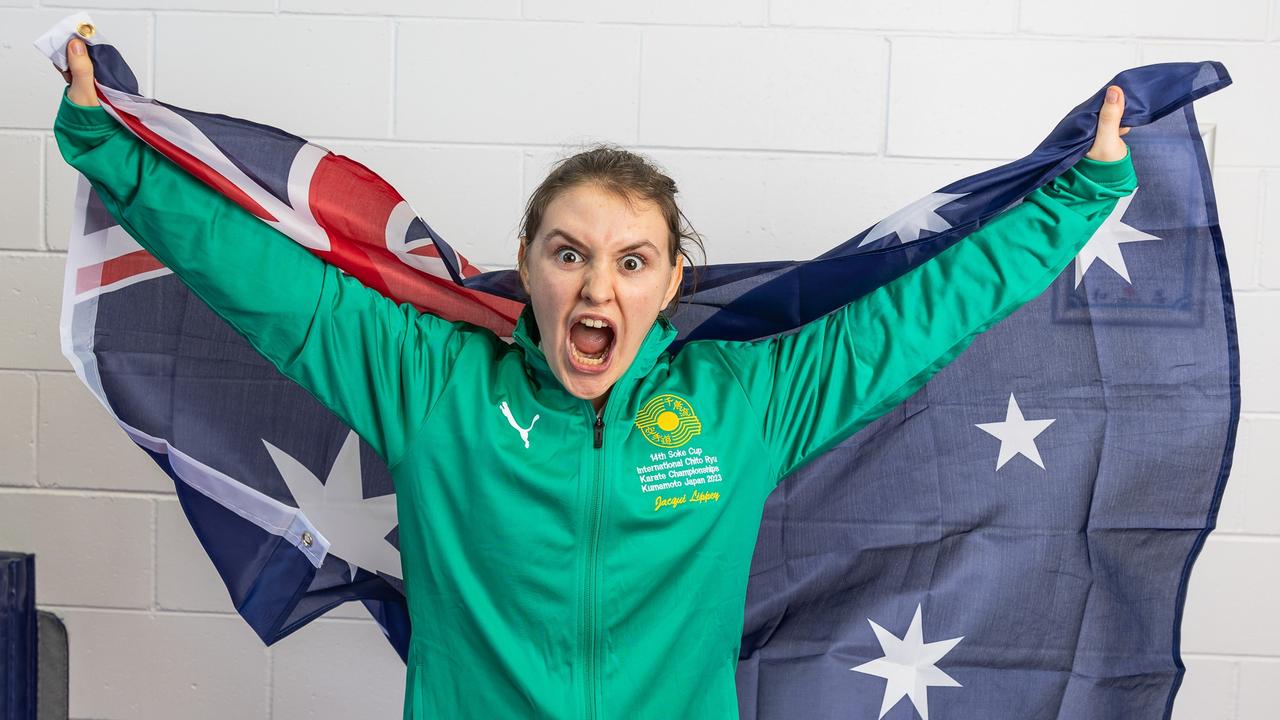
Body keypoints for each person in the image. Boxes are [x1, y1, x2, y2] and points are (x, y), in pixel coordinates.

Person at [53, 36, 1135, 719]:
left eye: (630, 261)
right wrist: (114, 148)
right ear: (525, 267)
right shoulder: (431, 383)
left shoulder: (745, 404)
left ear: (670, 283)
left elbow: (922, 315)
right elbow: (260, 280)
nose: (595, 289)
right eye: (567, 254)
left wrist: (1078, 197)